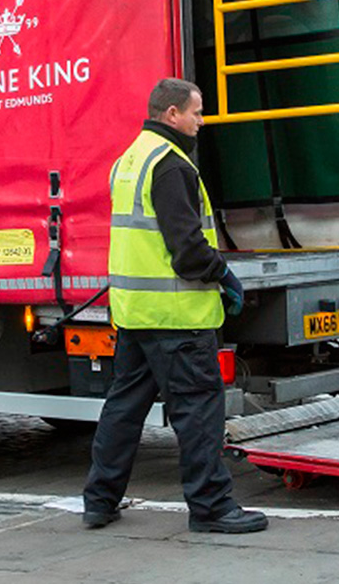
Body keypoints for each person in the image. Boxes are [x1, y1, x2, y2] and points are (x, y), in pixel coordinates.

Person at [82, 78, 267, 533]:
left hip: (135, 313)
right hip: (177, 318)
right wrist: (222, 273)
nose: (201, 122)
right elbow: (186, 249)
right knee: (198, 411)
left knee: (123, 409)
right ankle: (212, 508)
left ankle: (99, 500)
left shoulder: (130, 160)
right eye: (196, 112)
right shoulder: (170, 165)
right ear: (171, 115)